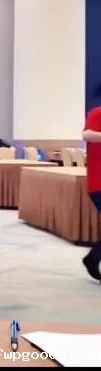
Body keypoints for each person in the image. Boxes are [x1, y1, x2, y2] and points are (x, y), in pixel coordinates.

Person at [82, 106, 101, 282]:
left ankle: (93, 258)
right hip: (98, 183)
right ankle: (92, 258)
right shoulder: (97, 113)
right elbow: (87, 134)